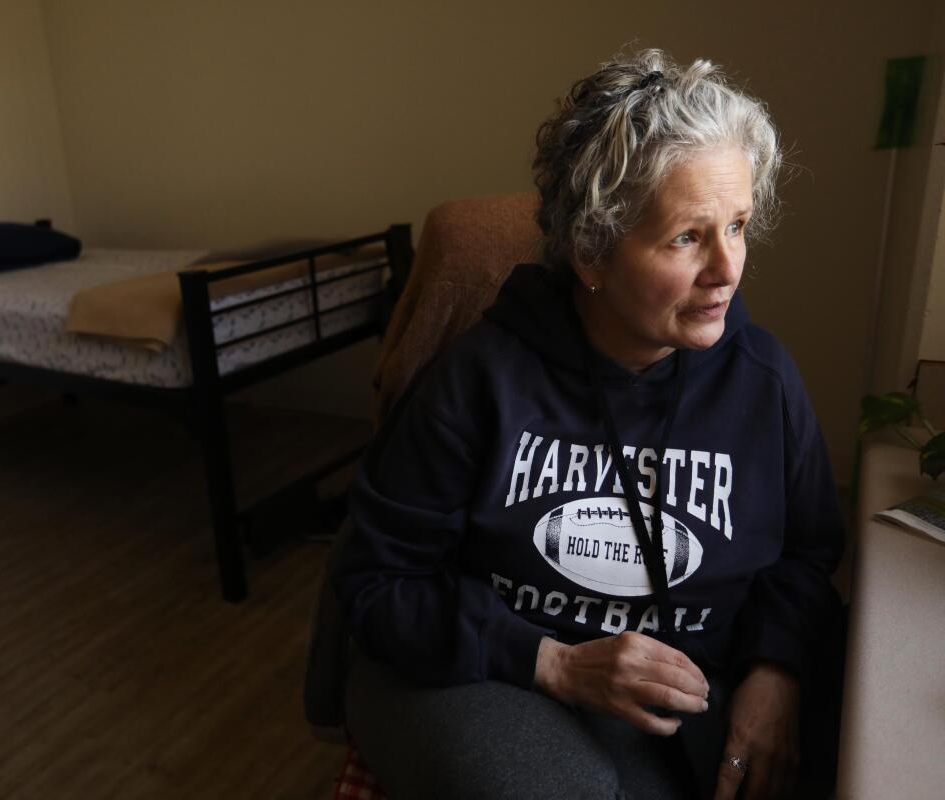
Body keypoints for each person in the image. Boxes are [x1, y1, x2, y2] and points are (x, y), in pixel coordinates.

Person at [334, 49, 844, 800]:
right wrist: (556, 663)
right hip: (489, 673)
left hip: (676, 693)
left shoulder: (763, 382)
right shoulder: (480, 381)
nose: (728, 269)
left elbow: (805, 553)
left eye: (736, 226)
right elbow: (373, 585)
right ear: (591, 252)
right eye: (686, 238)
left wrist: (776, 673)